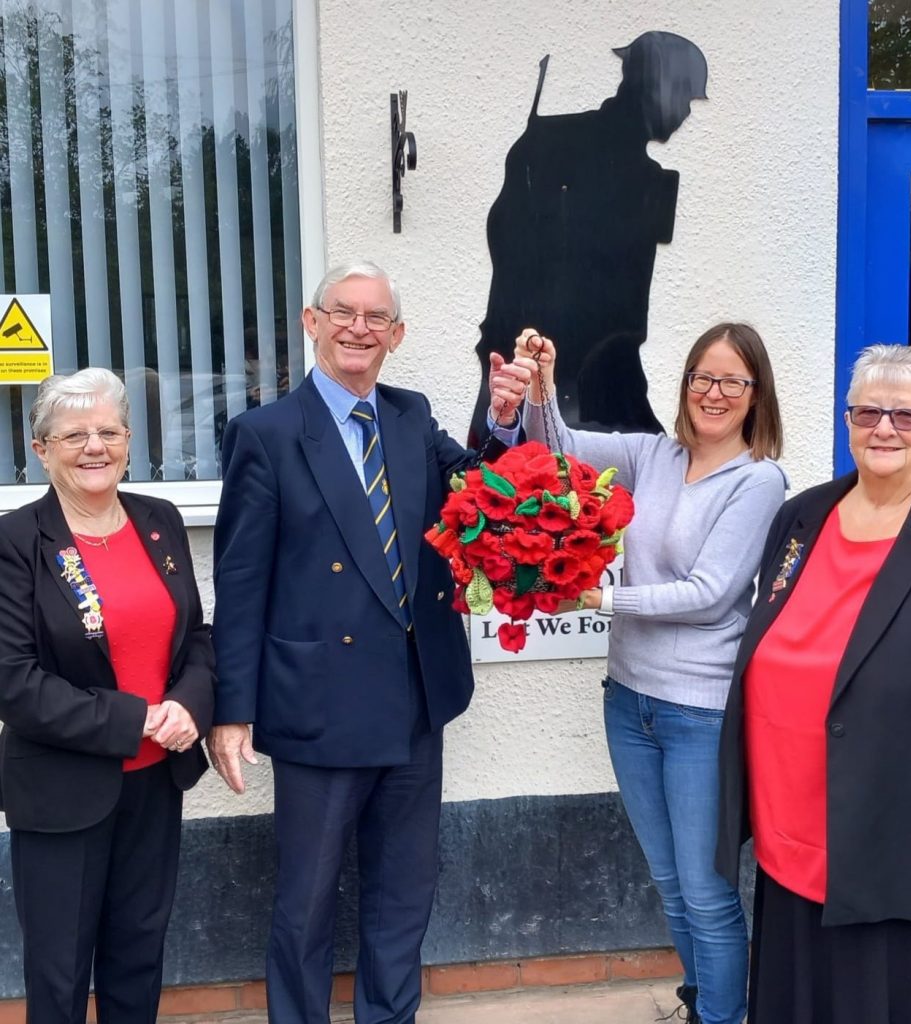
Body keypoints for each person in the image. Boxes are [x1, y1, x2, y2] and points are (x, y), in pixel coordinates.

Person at [207, 261, 526, 1024]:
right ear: (311, 324)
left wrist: (507, 418)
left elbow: (481, 491)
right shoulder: (265, 434)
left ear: (397, 335)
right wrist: (232, 709)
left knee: (402, 896)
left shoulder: (412, 416)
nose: (358, 327)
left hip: (415, 700)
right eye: (342, 313)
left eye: (375, 317)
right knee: (306, 904)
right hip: (318, 705)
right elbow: (242, 580)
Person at [716, 344, 911, 1024]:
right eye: (867, 412)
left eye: (907, 416)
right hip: (793, 835)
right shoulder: (803, 517)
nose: (884, 429)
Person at [508, 323, 785, 1024]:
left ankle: (724, 1016)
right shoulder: (654, 455)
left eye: (731, 381)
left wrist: (603, 596)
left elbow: (710, 593)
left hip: (700, 713)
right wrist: (543, 381)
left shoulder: (757, 479)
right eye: (701, 376)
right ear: (685, 383)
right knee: (668, 883)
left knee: (705, 890)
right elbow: (558, 451)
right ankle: (702, 1003)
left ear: (756, 396)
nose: (712, 393)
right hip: (628, 702)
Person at [0, 368, 215, 1023]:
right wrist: (139, 719)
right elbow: (15, 681)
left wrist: (190, 706)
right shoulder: (17, 541)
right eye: (74, 435)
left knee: (138, 956)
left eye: (109, 432)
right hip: (62, 792)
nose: (95, 446)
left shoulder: (160, 520)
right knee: (60, 973)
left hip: (154, 784)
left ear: (128, 441)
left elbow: (196, 639)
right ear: (42, 449)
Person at [468, 31, 709, 443]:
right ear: (657, 89)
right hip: (557, 381)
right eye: (686, 96)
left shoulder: (646, 177)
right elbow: (507, 243)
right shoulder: (555, 146)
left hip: (601, 375)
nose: (687, 111)